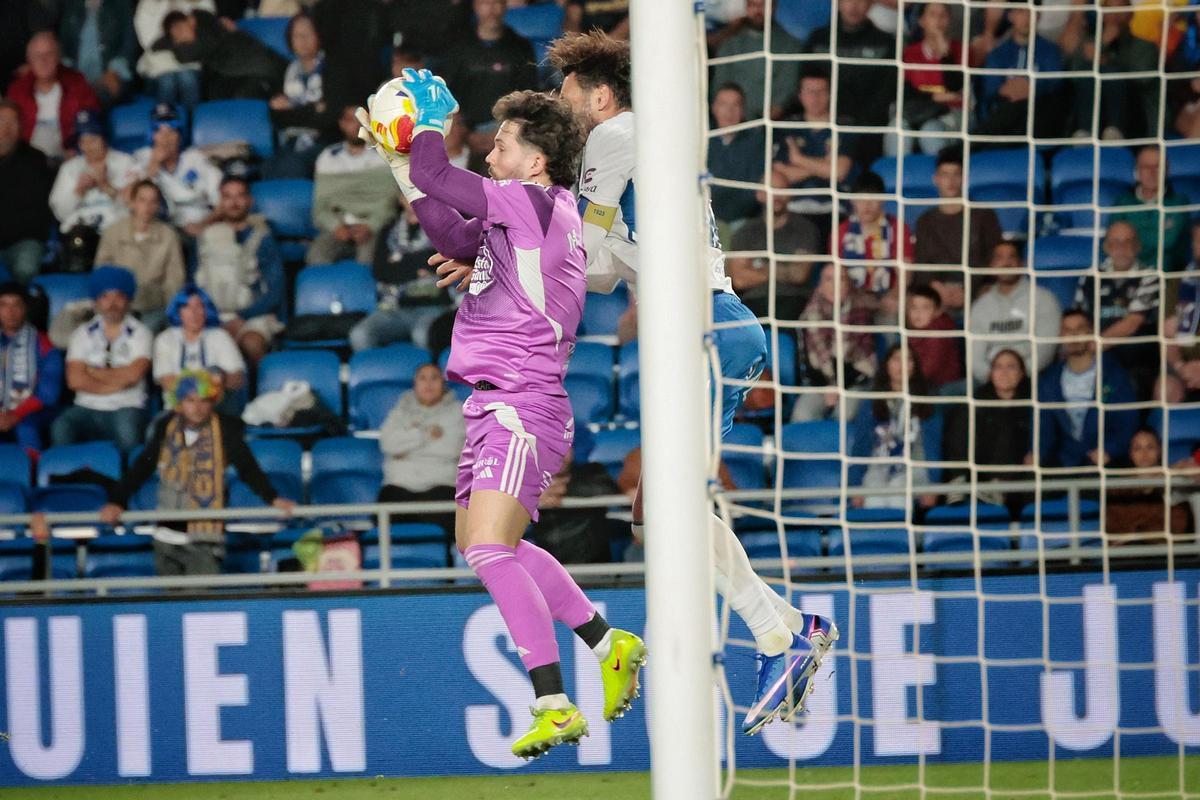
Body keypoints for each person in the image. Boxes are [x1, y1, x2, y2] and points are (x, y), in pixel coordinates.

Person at [548, 30, 836, 737]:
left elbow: (578, 255)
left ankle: (781, 635)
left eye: (567, 93)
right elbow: (603, 271)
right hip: (708, 330)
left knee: (667, 511)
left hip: (703, 327)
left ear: (601, 95)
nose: (561, 105)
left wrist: (511, 228)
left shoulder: (615, 134)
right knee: (657, 516)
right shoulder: (638, 149)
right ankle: (790, 628)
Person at [358, 71, 645, 758]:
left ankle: (551, 700)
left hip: (520, 400)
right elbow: (453, 239)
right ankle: (608, 643)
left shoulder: (532, 204)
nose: (490, 155)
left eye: (503, 146)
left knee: (488, 548)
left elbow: (439, 169)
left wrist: (426, 122)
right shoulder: (522, 218)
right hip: (496, 402)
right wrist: (404, 168)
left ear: (536, 161)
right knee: (494, 546)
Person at [99, 370, 295, 575]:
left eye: (204, 401)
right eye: (191, 400)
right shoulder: (166, 427)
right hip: (166, 535)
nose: (198, 408)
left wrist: (272, 498)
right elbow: (141, 468)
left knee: (202, 599)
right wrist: (117, 501)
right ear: (179, 402)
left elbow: (247, 468)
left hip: (205, 538)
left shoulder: (225, 429)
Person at [51, 266, 152, 454]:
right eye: (105, 297)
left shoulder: (141, 333)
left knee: (128, 432)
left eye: (118, 296)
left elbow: (133, 375)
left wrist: (93, 372)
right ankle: (70, 479)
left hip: (127, 406)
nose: (112, 303)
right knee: (61, 426)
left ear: (128, 300)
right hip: (86, 407)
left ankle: (125, 482)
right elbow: (75, 380)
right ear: (96, 301)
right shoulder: (82, 334)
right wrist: (116, 382)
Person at [194, 176, 285, 365]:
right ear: (220, 202)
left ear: (249, 201)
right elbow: (193, 284)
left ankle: (263, 389)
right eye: (227, 197)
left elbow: (275, 291)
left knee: (252, 343)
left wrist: (242, 318)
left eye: (240, 196)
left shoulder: (263, 238)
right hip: (213, 315)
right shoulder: (205, 238)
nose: (234, 202)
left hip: (252, 314)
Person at [1037, 309, 1138, 470]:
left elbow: (1127, 421)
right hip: (1064, 464)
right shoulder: (1049, 379)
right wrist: (1037, 453)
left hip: (1107, 462)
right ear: (1060, 335)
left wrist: (1109, 450)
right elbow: (1043, 426)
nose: (1074, 335)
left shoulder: (1113, 373)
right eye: (1067, 330)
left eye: (1080, 328)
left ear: (1090, 331)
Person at [348, 193, 449, 352]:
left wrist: (400, 262)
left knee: (422, 334)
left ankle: (428, 377)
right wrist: (420, 265)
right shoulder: (388, 231)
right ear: (400, 199)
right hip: (393, 307)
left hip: (434, 307)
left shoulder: (444, 226)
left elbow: (445, 264)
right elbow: (381, 272)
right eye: (407, 193)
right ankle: (378, 375)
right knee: (360, 335)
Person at [441, 0, 539, 160]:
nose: (492, 8)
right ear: (475, 5)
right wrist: (466, 131)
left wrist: (503, 132)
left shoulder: (520, 46)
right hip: (465, 128)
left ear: (505, 5)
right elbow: (448, 92)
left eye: (498, 2)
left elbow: (528, 95)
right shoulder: (458, 45)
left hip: (507, 126)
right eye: (486, 2)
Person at [913, 146, 1003, 318]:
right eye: (945, 175)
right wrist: (938, 289)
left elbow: (994, 258)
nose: (951, 181)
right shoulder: (925, 221)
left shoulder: (984, 216)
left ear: (965, 178)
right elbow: (921, 266)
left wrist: (969, 290)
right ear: (936, 179)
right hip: (936, 296)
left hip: (979, 294)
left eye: (956, 174)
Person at [377, 363, 465, 540]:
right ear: (415, 384)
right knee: (385, 514)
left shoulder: (458, 411)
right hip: (400, 485)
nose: (428, 384)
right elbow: (388, 444)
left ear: (443, 383)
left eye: (434, 378)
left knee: (447, 515)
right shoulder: (399, 412)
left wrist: (406, 448)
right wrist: (425, 434)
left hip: (441, 484)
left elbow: (452, 448)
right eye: (422, 378)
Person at [942, 348, 1033, 517]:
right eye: (998, 367)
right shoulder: (976, 402)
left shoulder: (1032, 403)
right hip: (977, 466)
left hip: (1016, 474)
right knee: (964, 416)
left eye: (1011, 366)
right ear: (990, 373)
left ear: (1022, 373)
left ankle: (997, 485)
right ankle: (958, 480)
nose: (1004, 372)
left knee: (1008, 425)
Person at [1072, 220, 1158, 396]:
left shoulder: (1150, 276)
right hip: (1096, 356)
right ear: (1106, 247)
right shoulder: (1090, 278)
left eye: (1128, 241)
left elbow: (1132, 322)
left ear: (1137, 246)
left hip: (1136, 361)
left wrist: (1091, 349)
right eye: (1116, 242)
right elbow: (1079, 318)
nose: (1122, 247)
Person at [849, 345, 941, 510]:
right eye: (897, 359)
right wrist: (855, 486)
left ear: (915, 366)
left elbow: (936, 446)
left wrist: (933, 485)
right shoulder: (870, 403)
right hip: (878, 467)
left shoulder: (928, 400)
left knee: (898, 492)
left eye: (908, 359)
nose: (902, 365)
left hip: (915, 468)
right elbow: (860, 447)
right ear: (887, 365)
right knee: (873, 500)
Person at [803, 0, 896, 162]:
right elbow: (805, 83)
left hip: (867, 129)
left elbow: (887, 91)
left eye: (861, 1)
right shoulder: (817, 40)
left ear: (870, 4)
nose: (854, 6)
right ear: (838, 3)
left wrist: (860, 122)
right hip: (822, 125)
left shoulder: (885, 42)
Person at [307, 105, 397, 265]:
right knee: (316, 257)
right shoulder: (328, 158)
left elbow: (389, 200)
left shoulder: (384, 156)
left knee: (368, 261)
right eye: (350, 120)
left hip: (374, 226)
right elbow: (320, 205)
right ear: (342, 123)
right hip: (338, 225)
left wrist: (370, 225)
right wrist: (336, 227)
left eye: (360, 121)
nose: (356, 126)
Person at [726, 170, 822, 319]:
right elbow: (738, 280)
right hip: (753, 302)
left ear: (790, 194)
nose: (776, 196)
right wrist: (783, 269)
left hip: (794, 301)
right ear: (760, 195)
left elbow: (799, 275)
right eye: (771, 189)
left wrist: (759, 266)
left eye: (782, 190)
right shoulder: (745, 232)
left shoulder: (805, 229)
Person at [95, 179, 187, 332]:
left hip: (153, 305)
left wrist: (171, 312)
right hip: (118, 303)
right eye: (142, 200)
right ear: (132, 203)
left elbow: (175, 280)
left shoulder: (168, 236)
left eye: (153, 201)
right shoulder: (112, 232)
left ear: (158, 206)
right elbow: (102, 275)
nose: (147, 207)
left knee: (147, 331)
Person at [793, 262, 878, 422]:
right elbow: (804, 364)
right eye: (829, 279)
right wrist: (826, 387)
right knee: (802, 415)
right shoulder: (807, 316)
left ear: (848, 284)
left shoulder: (862, 313)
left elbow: (866, 364)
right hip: (820, 383)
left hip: (856, 381)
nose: (835, 285)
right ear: (820, 285)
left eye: (841, 279)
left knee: (844, 415)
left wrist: (839, 386)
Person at [968, 241, 1062, 386]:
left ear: (1021, 263)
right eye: (999, 258)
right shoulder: (980, 306)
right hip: (990, 380)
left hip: (1032, 377)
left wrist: (1016, 376)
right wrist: (994, 377)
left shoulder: (1043, 299)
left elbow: (1045, 350)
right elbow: (974, 357)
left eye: (1011, 257)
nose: (1006, 263)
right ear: (991, 265)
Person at [5, 31, 100, 163]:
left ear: (58, 56)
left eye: (48, 54)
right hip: (27, 162)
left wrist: (76, 151)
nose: (43, 61)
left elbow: (92, 125)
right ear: (29, 60)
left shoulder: (77, 84)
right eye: (37, 56)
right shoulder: (17, 90)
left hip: (68, 159)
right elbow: (7, 131)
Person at [975, 4, 1067, 140]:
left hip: (1039, 116)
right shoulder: (997, 54)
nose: (1026, 18)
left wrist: (1031, 87)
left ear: (1039, 16)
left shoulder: (1051, 51)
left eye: (1031, 13)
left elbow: (1056, 83)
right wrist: (1008, 91)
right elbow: (990, 89)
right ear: (1011, 16)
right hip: (1005, 115)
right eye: (1021, 12)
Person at [129, 103, 223, 235]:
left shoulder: (196, 159)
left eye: (171, 131)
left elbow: (222, 202)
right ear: (152, 136)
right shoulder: (141, 158)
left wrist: (202, 225)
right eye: (159, 131)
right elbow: (129, 199)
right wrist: (153, 166)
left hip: (200, 223)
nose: (165, 138)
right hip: (157, 226)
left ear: (179, 135)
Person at [835, 169, 913, 324]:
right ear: (852, 201)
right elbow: (838, 272)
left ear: (883, 200)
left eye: (874, 199)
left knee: (894, 313)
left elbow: (906, 271)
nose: (867, 205)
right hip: (853, 296)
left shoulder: (897, 228)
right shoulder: (842, 231)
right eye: (861, 199)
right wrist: (857, 297)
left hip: (889, 295)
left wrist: (894, 294)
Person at [153, 286, 245, 413]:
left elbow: (236, 378)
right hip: (177, 408)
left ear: (206, 310)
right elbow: (167, 381)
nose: (194, 313)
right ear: (178, 311)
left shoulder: (220, 336)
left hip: (216, 407)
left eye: (199, 306)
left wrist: (216, 380)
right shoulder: (165, 339)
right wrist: (208, 383)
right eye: (187, 307)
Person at [161, 9, 287, 100]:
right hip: (234, 75)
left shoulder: (204, 19)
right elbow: (184, 56)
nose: (181, 36)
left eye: (180, 29)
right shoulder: (188, 48)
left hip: (253, 62)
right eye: (176, 37)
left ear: (190, 20)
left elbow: (211, 41)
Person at [711, 0, 804, 121]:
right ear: (746, 7)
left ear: (774, 7)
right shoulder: (729, 46)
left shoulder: (791, 45)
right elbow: (720, 84)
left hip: (774, 123)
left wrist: (769, 116)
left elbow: (787, 89)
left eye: (763, 5)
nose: (758, 10)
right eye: (752, 5)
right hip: (733, 122)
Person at [265, 12, 331, 180]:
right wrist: (311, 110)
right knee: (267, 168)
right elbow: (276, 117)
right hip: (292, 141)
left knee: (293, 165)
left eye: (307, 34)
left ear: (319, 36)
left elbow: (327, 118)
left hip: (325, 141)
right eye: (297, 35)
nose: (302, 40)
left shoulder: (332, 69)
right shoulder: (285, 71)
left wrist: (292, 109)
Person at [49, 109, 136, 234]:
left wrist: (106, 185)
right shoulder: (69, 168)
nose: (88, 146)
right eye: (83, 141)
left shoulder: (126, 162)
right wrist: (78, 192)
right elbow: (60, 214)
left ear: (104, 138)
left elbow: (136, 209)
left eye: (93, 140)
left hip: (116, 234)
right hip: (79, 235)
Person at [532, 444, 622, 565]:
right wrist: (535, 495)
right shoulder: (528, 481)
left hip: (594, 567)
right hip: (550, 568)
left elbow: (607, 489)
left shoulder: (592, 472)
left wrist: (565, 488)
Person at [0, 282, 62, 451]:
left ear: (25, 309)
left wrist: (15, 415)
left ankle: (32, 475)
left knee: (26, 427)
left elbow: (49, 393)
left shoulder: (45, 343)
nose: (10, 312)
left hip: (35, 411)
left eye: (16, 305)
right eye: (4, 305)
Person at [1111, 145, 1191, 271]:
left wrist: (1129, 239)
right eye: (1145, 167)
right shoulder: (1122, 202)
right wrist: (1154, 232)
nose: (1152, 172)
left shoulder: (1179, 202)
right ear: (1136, 170)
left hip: (1166, 275)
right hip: (1129, 275)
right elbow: (1112, 241)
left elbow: (1167, 241)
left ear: (1167, 170)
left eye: (1157, 167)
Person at [1105, 428, 1192, 543]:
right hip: (1127, 554)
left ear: (1159, 450)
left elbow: (1177, 527)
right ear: (1131, 454)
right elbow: (1114, 532)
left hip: (1163, 553)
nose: (1144, 453)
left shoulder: (1175, 483)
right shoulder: (1118, 491)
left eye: (1150, 447)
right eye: (1137, 448)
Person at [0, 100, 53, 286]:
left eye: (12, 121)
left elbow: (37, 210)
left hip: (24, 239)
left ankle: (20, 314)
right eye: (1, 121)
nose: (6, 127)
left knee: (26, 269)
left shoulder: (35, 160)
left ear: (21, 126)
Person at [900, 2, 964, 155]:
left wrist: (945, 54)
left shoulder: (962, 50)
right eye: (933, 15)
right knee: (898, 130)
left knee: (930, 130)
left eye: (943, 15)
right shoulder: (909, 53)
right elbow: (906, 92)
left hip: (950, 113)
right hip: (916, 111)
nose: (938, 20)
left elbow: (955, 87)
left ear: (950, 20)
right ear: (922, 21)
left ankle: (942, 177)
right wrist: (936, 96)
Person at [57, 0, 137, 107]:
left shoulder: (121, 5)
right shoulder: (72, 6)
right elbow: (62, 47)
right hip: (76, 76)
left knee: (95, 97)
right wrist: (67, 75)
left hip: (112, 74)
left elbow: (129, 44)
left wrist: (115, 71)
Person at [707, 83, 765, 233]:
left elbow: (754, 191)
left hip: (744, 221)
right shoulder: (701, 140)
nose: (729, 111)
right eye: (724, 104)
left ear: (743, 109)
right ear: (714, 108)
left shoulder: (756, 141)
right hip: (705, 221)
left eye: (735, 105)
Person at [133, 0, 211, 109]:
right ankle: (165, 122)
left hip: (191, 61)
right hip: (158, 65)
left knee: (187, 77)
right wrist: (176, 40)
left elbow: (207, 29)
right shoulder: (148, 4)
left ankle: (192, 120)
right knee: (167, 81)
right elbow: (149, 42)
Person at [906, 285, 961, 391]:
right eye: (914, 307)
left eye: (925, 308)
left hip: (941, 385)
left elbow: (931, 367)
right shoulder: (911, 332)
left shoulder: (938, 332)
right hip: (922, 381)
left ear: (937, 311)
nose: (918, 313)